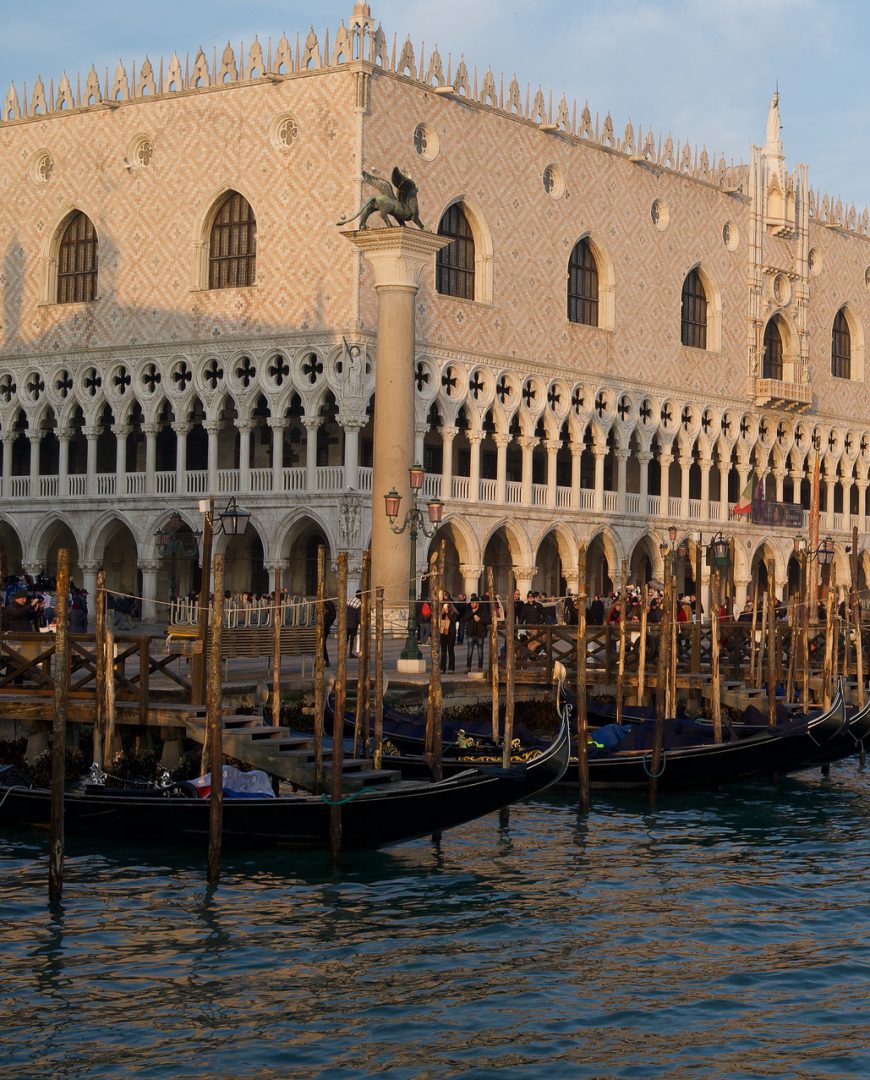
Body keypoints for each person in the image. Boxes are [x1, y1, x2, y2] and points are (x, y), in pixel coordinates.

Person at [463, 594, 489, 673]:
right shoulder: (469, 609)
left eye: (473, 603)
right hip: (471, 634)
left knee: (480, 651)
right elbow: (464, 618)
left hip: (480, 634)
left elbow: (488, 620)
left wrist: (480, 619)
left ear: (477, 603)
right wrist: (472, 612)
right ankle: (468, 667)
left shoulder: (483, 610)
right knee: (469, 652)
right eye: (471, 603)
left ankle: (480, 667)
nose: (472, 604)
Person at [438, 593, 458, 673]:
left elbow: (454, 619)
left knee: (450, 651)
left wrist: (448, 613)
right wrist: (442, 613)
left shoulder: (453, 612)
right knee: (443, 651)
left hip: (451, 632)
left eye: (447, 605)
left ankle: (451, 668)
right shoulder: (441, 611)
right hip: (443, 632)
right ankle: (442, 668)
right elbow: (438, 620)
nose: (445, 606)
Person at [345, 591, 361, 657]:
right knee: (352, 639)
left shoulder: (349, 600)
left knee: (346, 638)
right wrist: (361, 623)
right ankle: (350, 653)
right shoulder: (360, 603)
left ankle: (343, 652)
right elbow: (359, 616)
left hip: (346, 623)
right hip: (353, 624)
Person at [322, 598, 336, 666]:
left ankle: (326, 660)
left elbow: (333, 616)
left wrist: (327, 624)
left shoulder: (329, 604)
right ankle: (325, 660)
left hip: (325, 627)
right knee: (322, 644)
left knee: (322, 644)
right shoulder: (318, 603)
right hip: (324, 626)